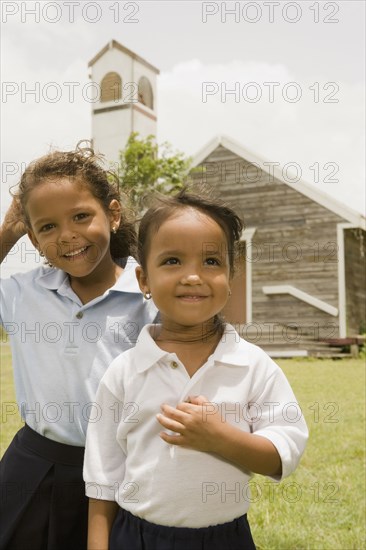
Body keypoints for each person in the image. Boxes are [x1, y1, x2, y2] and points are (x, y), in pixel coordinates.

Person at [83, 190, 309, 550]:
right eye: (172, 261)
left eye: (211, 262)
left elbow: (283, 455)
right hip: (137, 535)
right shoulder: (123, 373)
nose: (192, 276)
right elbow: (102, 479)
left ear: (231, 275)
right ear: (143, 280)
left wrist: (219, 436)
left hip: (224, 537)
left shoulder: (253, 366)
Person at [0, 143, 157, 550]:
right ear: (33, 239)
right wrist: (5, 236)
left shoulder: (148, 291)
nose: (67, 235)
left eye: (81, 216)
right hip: (34, 467)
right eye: (47, 228)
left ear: (114, 213)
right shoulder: (22, 292)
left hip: (125, 469)